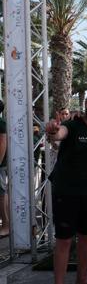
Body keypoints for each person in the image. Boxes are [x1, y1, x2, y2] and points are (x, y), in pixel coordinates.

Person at [45, 87, 87, 284]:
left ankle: (81, 281)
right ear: (86, 103)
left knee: (86, 237)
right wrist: (53, 130)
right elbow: (59, 134)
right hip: (65, 191)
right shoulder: (72, 125)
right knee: (64, 240)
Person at [0, 100, 8, 237]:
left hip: (1, 165)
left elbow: (2, 143)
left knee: (1, 194)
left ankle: (6, 225)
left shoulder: (1, 123)